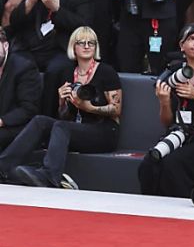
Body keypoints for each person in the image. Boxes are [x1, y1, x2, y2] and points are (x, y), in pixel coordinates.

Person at [0, 27, 120, 189]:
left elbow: (116, 110)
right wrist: (62, 102)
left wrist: (88, 107)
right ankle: (3, 167)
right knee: (40, 121)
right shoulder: (67, 72)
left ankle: (50, 176)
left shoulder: (107, 71)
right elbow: (62, 116)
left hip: (104, 131)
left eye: (91, 43)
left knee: (61, 126)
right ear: (73, 47)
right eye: (81, 42)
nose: (86, 46)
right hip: (77, 129)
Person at [138, 24, 194, 198]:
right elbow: (167, 122)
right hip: (178, 135)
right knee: (149, 163)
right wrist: (164, 102)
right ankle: (150, 211)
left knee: (173, 164)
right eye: (192, 39)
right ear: (182, 46)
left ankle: (178, 213)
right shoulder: (174, 74)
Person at [7, 0, 94, 116]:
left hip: (60, 48)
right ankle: (14, 116)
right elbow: (14, 23)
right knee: (15, 63)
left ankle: (47, 119)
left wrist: (57, 10)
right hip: (31, 48)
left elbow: (85, 27)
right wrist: (30, 2)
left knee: (57, 69)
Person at [0, 27, 42, 155]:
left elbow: (28, 109)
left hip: (16, 126)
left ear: (5, 45)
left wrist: (1, 121)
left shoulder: (24, 67)